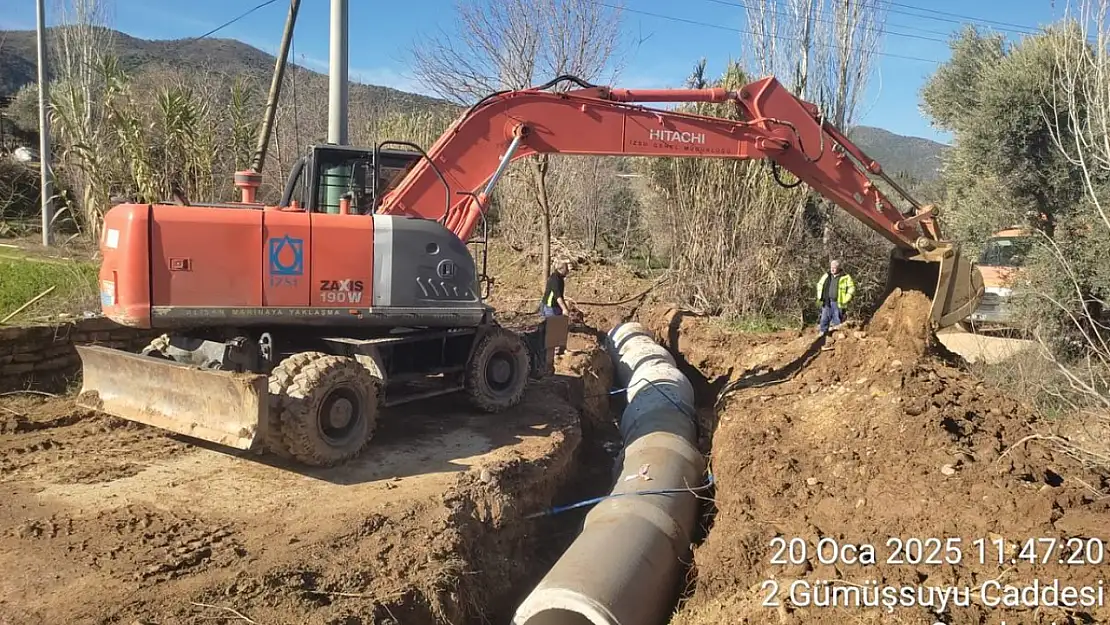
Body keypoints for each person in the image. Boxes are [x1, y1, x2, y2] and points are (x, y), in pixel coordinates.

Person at [816, 259, 856, 335]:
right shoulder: (827, 275)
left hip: (838, 302)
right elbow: (819, 284)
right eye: (831, 267)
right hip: (827, 301)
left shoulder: (845, 277)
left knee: (837, 319)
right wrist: (820, 296)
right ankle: (823, 333)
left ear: (838, 268)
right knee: (824, 318)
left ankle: (837, 335)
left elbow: (852, 288)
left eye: (834, 267)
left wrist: (847, 297)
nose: (832, 269)